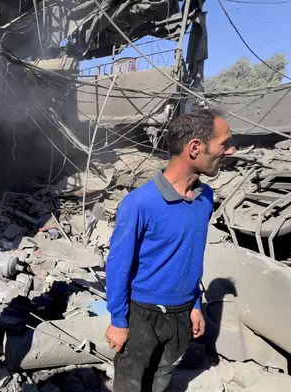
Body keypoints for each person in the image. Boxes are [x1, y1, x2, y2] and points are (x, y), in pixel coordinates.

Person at [105, 108, 235, 392]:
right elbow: (118, 265)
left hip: (181, 314)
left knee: (162, 378)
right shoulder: (140, 203)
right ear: (194, 148)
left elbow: (191, 255)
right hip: (142, 315)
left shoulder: (205, 198)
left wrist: (195, 305)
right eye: (223, 143)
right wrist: (117, 319)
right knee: (130, 383)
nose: (231, 150)